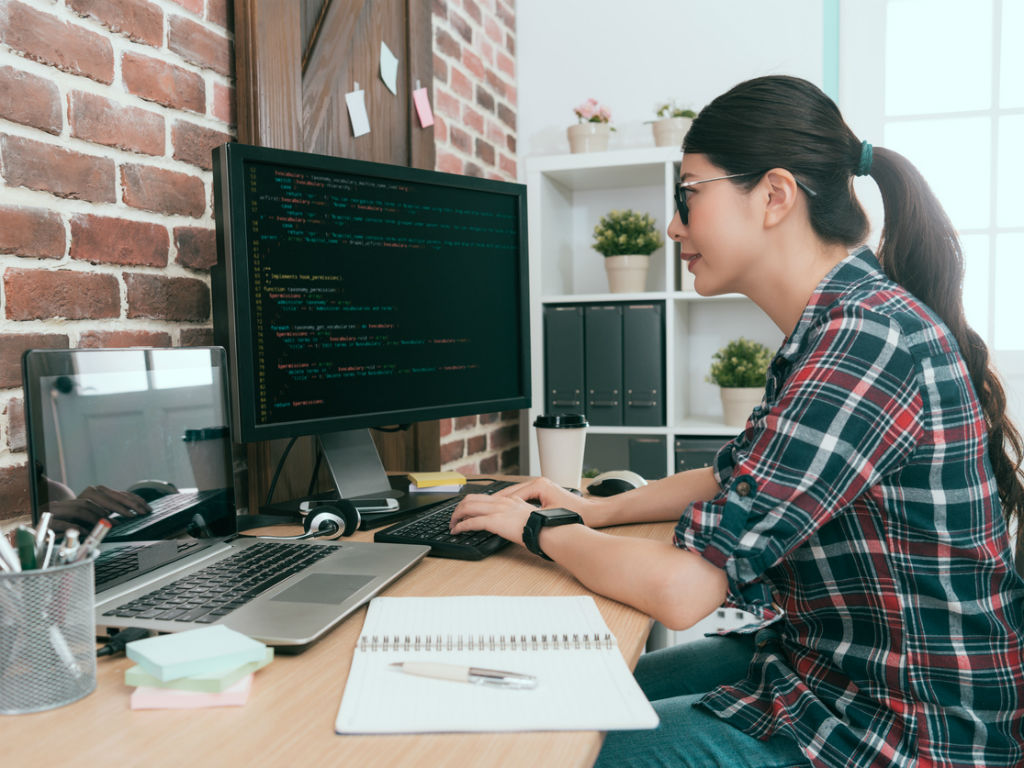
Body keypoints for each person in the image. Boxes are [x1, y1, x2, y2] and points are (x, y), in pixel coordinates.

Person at [450, 75, 1024, 768]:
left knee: (562, 744)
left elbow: (682, 591)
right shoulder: (837, 327)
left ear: (775, 196)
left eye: (689, 194)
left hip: (901, 728)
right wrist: (591, 511)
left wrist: (542, 530)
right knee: (572, 695)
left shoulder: (866, 340)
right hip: (827, 671)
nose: (672, 224)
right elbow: (729, 479)